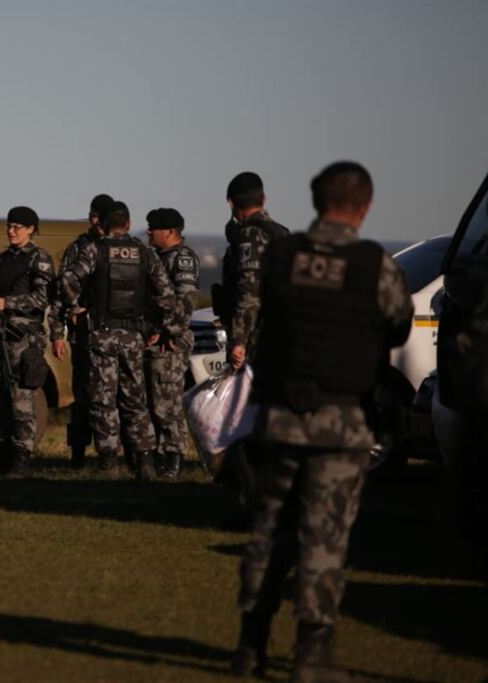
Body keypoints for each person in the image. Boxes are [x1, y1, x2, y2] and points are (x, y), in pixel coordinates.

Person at [231, 162, 412, 681]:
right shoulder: (372, 264)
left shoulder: (282, 255)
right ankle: (311, 652)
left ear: (316, 200)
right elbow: (398, 327)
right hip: (339, 426)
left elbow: (261, 309)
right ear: (365, 206)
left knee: (270, 533)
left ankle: (250, 646)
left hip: (279, 419)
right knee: (323, 539)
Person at [60, 201, 175, 480]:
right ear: (128, 223)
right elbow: (167, 294)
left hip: (102, 336)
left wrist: (75, 309)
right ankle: (145, 460)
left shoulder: (93, 250)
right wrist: (159, 325)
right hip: (134, 337)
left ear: (104, 224)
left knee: (103, 400)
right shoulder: (144, 253)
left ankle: (109, 461)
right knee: (136, 399)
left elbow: (67, 281)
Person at [0, 206, 54, 477]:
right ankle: (4, 452)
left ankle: (23, 457)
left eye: (18, 227)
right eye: (10, 226)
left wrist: (8, 303)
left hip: (24, 340)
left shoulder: (39, 259)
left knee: (22, 400)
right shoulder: (3, 258)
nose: (12, 231)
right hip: (0, 338)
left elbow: (42, 298)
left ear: (31, 230)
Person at [48, 193, 114, 468]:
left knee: (115, 398)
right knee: (83, 396)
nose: (96, 221)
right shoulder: (80, 247)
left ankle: (115, 457)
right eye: (93, 215)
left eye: (101, 216)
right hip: (84, 335)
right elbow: (61, 289)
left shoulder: (123, 247)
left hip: (116, 335)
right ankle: (78, 455)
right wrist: (59, 329)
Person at [213, 172, 289, 369]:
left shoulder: (250, 235)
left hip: (256, 338)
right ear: (263, 198)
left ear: (231, 203)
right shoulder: (281, 233)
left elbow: (249, 291)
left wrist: (239, 341)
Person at [145, 208, 199, 480]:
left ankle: (173, 456)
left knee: (167, 402)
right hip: (153, 337)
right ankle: (158, 454)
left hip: (170, 342)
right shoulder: (157, 257)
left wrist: (169, 332)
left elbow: (186, 301)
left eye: (152, 228)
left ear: (169, 231)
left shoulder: (182, 259)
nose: (148, 232)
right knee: (153, 401)